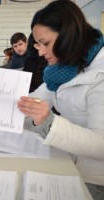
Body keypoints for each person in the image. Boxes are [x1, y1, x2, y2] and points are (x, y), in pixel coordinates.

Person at [17, 1, 104, 199]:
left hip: (95, 180)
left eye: (45, 43)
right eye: (38, 44)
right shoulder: (63, 69)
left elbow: (102, 144)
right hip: (68, 161)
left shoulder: (100, 73)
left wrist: (49, 124)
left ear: (69, 35)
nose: (40, 51)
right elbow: (33, 99)